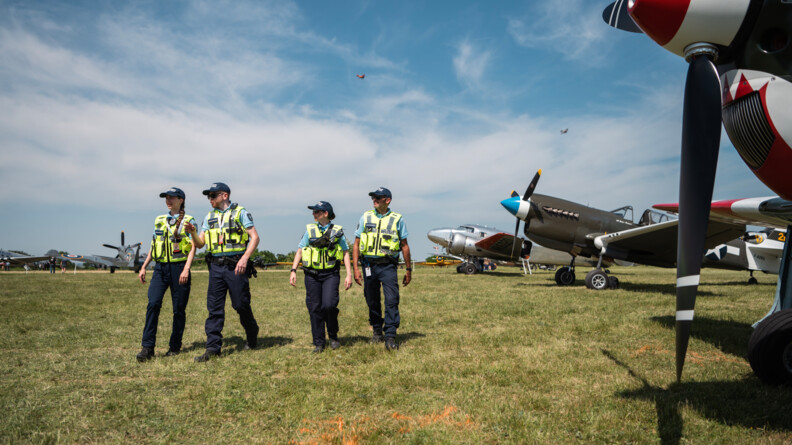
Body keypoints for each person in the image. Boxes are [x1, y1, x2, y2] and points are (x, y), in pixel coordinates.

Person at [188, 182, 260, 362]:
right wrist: (193, 233)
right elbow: (200, 244)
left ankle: (252, 332)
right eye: (208, 196)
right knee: (214, 308)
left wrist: (244, 259)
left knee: (240, 304)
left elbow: (255, 238)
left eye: (213, 195)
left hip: (235, 265)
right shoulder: (209, 217)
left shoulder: (240, 213)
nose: (210, 199)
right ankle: (213, 347)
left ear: (225, 195)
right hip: (215, 267)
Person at [135, 187, 197, 362]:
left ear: (181, 200)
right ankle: (147, 348)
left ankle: (174, 346)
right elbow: (154, 245)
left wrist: (186, 269)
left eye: (172, 197)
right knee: (153, 304)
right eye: (166, 198)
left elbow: (193, 246)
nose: (168, 200)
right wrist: (144, 266)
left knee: (178, 309)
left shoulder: (189, 220)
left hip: (179, 268)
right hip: (160, 268)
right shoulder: (159, 220)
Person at [352, 187, 411, 351]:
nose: (374, 200)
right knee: (371, 299)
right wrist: (356, 268)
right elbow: (356, 243)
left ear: (388, 200)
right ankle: (377, 330)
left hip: (388, 266)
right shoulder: (366, 216)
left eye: (378, 197)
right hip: (369, 265)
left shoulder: (397, 219)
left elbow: (404, 246)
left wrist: (408, 269)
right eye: (373, 197)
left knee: (392, 299)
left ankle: (390, 336)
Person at [289, 201, 353, 353]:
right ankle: (319, 342)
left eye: (317, 212)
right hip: (311, 275)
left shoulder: (337, 232)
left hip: (331, 274)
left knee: (329, 305)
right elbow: (300, 250)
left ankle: (333, 335)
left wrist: (349, 275)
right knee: (314, 308)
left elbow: (345, 252)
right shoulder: (309, 230)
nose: (313, 215)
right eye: (313, 212)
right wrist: (293, 270)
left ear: (325, 213)